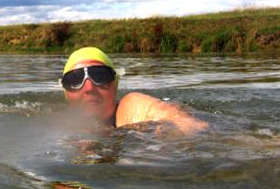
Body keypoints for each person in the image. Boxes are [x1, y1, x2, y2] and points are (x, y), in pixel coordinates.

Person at [61, 47, 208, 133]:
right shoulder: (60, 124)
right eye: (75, 80)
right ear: (66, 92)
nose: (89, 88)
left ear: (115, 84)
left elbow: (193, 127)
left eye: (100, 75)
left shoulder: (131, 108)